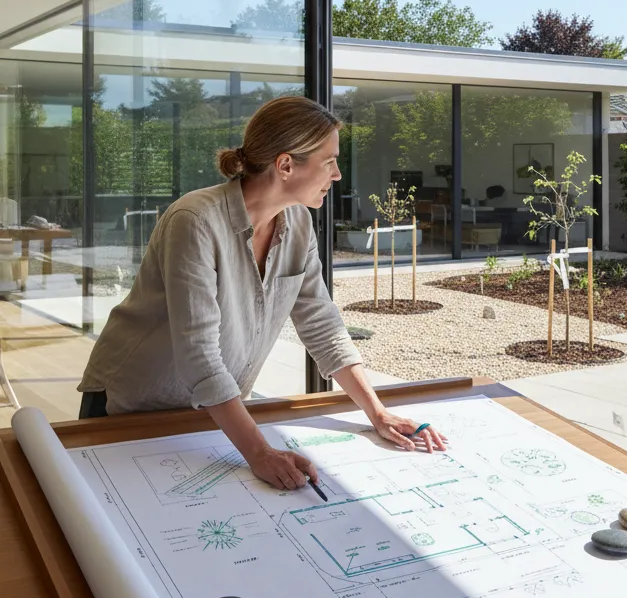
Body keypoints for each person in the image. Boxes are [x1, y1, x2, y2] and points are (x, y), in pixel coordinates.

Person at [77, 96, 445, 489]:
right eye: (329, 161)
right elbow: (199, 355)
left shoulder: (298, 223)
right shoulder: (194, 221)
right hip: (133, 406)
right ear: (286, 165)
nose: (337, 174)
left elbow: (321, 323)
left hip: (216, 411)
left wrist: (377, 412)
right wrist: (259, 452)